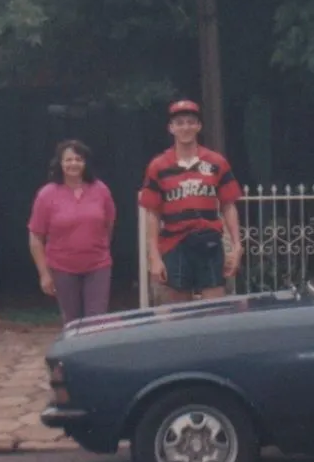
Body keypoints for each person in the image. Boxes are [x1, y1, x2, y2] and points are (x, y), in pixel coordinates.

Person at [138, 99, 243, 303]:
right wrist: (154, 256)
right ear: (171, 128)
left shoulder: (216, 162)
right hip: (174, 244)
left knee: (215, 305)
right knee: (176, 310)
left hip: (209, 241)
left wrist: (237, 245)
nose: (185, 127)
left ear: (198, 126)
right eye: (179, 123)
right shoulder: (158, 166)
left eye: (190, 122)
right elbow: (152, 213)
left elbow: (229, 205)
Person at [27, 139, 116, 324]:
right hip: (62, 268)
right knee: (72, 323)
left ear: (85, 163)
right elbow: (36, 237)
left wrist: (100, 248)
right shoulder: (46, 194)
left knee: (96, 322)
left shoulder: (101, 190)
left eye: (78, 159)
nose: (73, 164)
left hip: (97, 266)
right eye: (68, 160)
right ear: (60, 163)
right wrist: (44, 273)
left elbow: (109, 224)